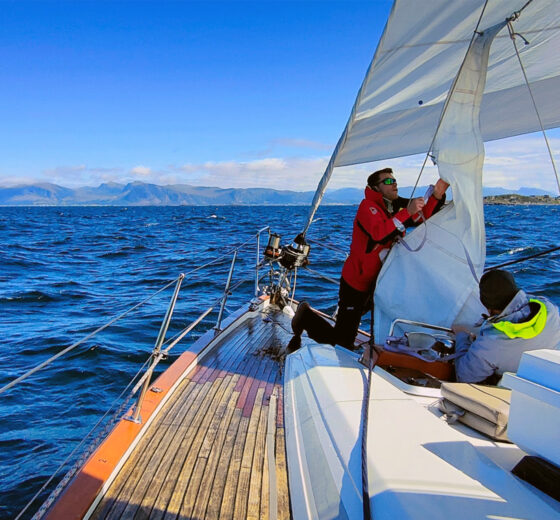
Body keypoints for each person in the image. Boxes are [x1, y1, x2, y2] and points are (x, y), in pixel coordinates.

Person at [289, 167, 449, 351]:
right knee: (342, 342)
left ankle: (381, 352)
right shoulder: (367, 207)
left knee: (374, 320)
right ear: (375, 187)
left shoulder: (394, 207)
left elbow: (421, 217)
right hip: (356, 283)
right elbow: (379, 233)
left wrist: (437, 194)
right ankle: (306, 317)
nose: (394, 183)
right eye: (388, 181)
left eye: (394, 180)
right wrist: (407, 212)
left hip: (377, 282)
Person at [453, 269, 560, 384]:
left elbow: (464, 377)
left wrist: (462, 337)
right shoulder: (549, 309)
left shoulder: (491, 342)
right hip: (553, 379)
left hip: (515, 391)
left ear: (489, 309)